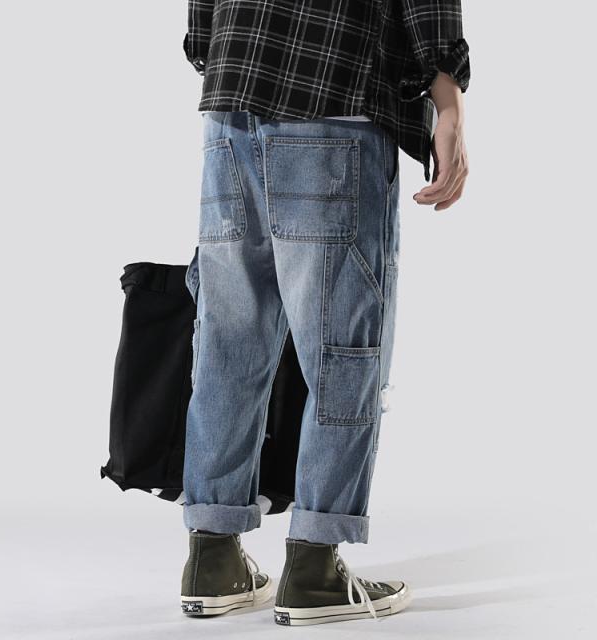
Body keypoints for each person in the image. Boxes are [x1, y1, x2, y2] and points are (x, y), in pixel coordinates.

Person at [179, 0, 470, 626]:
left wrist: (223, 54)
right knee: (343, 351)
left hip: (230, 102)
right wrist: (447, 100)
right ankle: (313, 571)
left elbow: (200, 28)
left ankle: (213, 557)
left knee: (228, 344)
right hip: (335, 96)